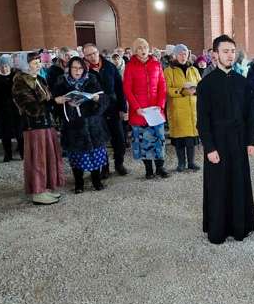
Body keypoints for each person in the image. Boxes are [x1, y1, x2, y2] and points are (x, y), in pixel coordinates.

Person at [196, 34, 254, 244]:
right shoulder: (206, 84)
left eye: (232, 51)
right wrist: (209, 148)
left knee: (239, 183)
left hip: (239, 142)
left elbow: (250, 114)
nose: (230, 55)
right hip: (218, 144)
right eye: (225, 51)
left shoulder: (243, 82)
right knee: (218, 186)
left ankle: (240, 227)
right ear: (215, 55)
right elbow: (202, 121)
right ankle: (218, 230)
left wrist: (250, 141)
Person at [11, 51, 67, 204]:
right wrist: (54, 102)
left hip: (46, 124)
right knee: (38, 158)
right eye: (34, 63)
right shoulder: (20, 82)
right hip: (34, 126)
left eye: (38, 62)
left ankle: (45, 187)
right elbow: (31, 107)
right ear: (24, 65)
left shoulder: (39, 79)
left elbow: (47, 98)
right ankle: (38, 192)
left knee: (47, 156)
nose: (39, 65)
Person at [52, 56, 109, 193]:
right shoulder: (61, 82)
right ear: (69, 68)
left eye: (80, 68)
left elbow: (104, 99)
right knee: (76, 156)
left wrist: (96, 98)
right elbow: (53, 104)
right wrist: (60, 101)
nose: (77, 71)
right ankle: (79, 183)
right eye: (74, 68)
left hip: (92, 125)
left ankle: (96, 181)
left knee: (95, 154)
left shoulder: (92, 79)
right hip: (73, 127)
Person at [123, 38, 170, 179]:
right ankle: (149, 170)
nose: (143, 50)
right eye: (139, 48)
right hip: (140, 113)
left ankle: (160, 168)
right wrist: (136, 107)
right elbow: (127, 89)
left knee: (159, 139)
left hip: (156, 110)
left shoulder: (156, 64)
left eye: (145, 47)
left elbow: (162, 85)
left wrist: (161, 104)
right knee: (144, 142)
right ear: (135, 51)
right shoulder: (130, 66)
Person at [83, 43, 128, 177]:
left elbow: (120, 88)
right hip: (96, 112)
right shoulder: (84, 71)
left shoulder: (110, 66)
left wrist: (123, 108)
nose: (92, 57)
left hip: (113, 109)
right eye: (88, 55)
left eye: (94, 53)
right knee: (100, 141)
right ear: (84, 57)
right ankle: (105, 166)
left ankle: (119, 164)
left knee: (119, 139)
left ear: (98, 52)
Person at [164, 44, 202, 172]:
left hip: (192, 109)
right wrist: (182, 91)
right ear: (175, 55)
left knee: (191, 138)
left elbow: (200, 85)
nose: (183, 56)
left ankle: (191, 162)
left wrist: (196, 90)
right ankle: (181, 163)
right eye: (180, 54)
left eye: (185, 53)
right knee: (180, 139)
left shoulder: (194, 70)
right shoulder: (169, 71)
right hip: (177, 110)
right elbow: (167, 90)